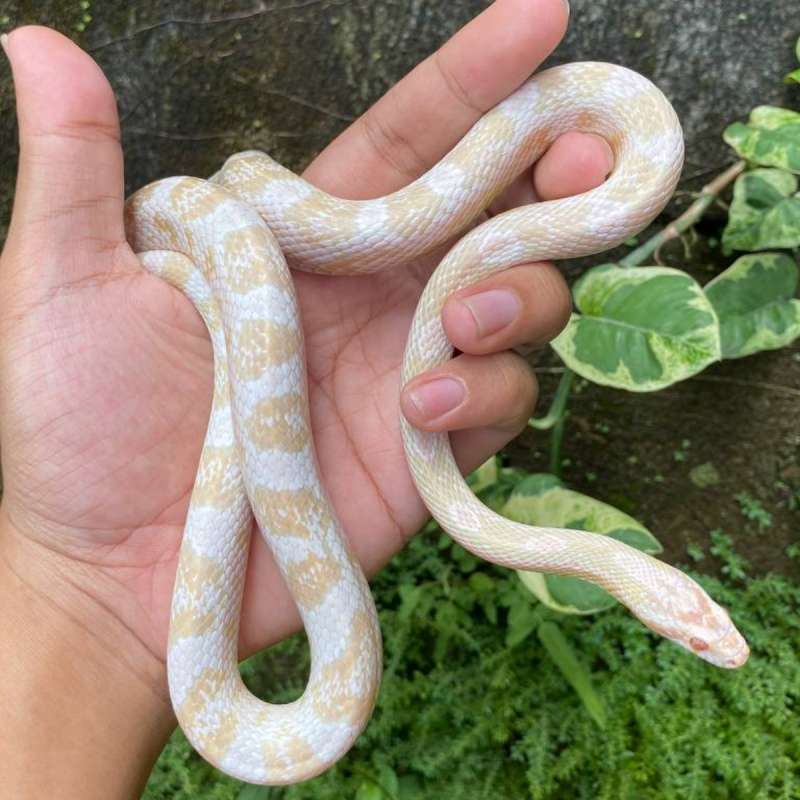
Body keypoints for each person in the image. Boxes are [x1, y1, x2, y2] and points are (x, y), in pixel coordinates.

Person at [0, 0, 614, 795]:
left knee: (255, 189)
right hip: (239, 269)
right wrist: (78, 588)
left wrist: (83, 605)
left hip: (249, 272)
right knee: (250, 191)